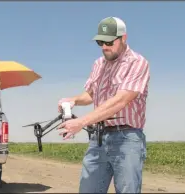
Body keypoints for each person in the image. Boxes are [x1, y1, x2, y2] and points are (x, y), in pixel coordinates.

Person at [57, 16, 150, 193]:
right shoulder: (98, 64)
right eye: (100, 41)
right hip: (98, 138)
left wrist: (82, 122)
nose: (104, 47)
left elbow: (121, 100)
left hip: (127, 138)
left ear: (123, 38)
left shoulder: (138, 63)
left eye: (109, 41)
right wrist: (74, 100)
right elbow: (91, 94)